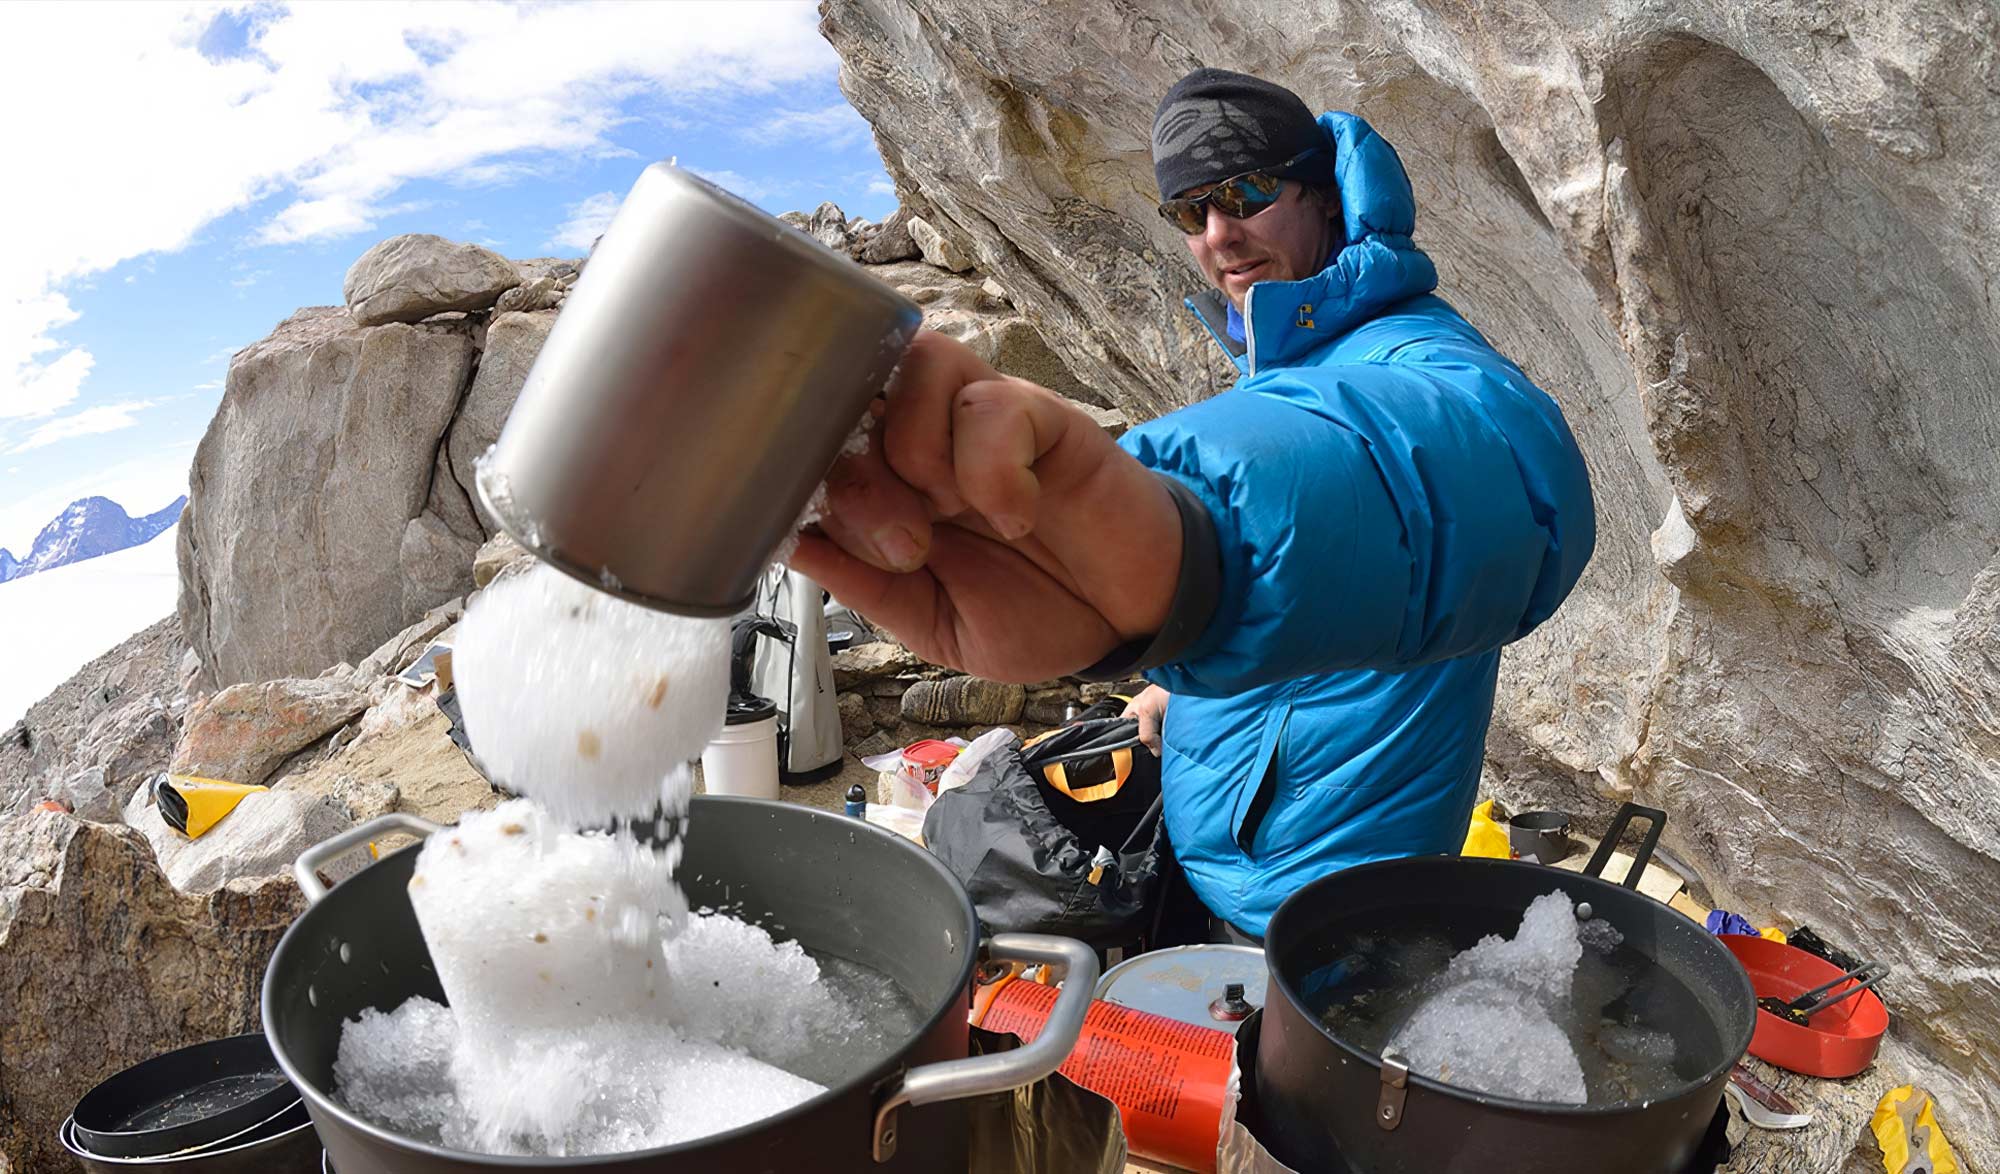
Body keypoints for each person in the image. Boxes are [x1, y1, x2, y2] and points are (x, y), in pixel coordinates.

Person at [791, 68, 1595, 942]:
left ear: (1324, 196)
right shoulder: (1284, 358)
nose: (1220, 234)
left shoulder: (1417, 349)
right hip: (1220, 855)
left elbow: (1506, 471)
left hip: (1335, 898)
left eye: (1246, 192)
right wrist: (1170, 667)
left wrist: (1199, 550)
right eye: (1189, 212)